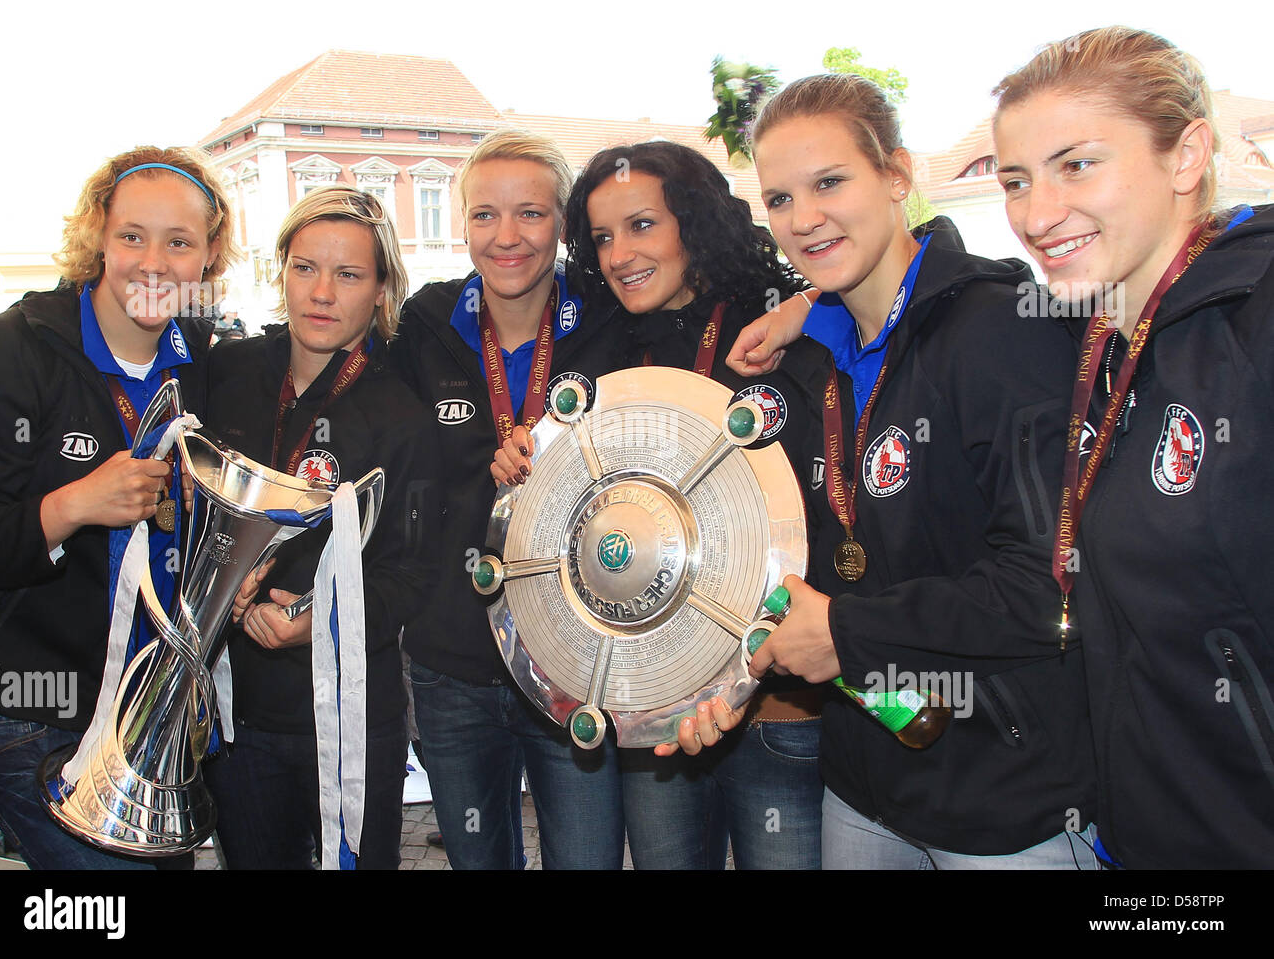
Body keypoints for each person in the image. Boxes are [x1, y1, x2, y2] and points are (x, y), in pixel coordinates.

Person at [718, 74, 1099, 868]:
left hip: (1006, 799)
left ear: (896, 175)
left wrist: (844, 633)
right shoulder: (810, 354)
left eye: (830, 182)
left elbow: (1047, 588)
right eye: (780, 199)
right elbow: (788, 552)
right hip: (863, 779)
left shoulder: (1000, 328)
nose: (804, 219)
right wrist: (704, 680)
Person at [494, 140, 837, 870]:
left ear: (695, 221)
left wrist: (809, 304)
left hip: (781, 705)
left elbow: (925, 249)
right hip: (661, 706)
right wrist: (523, 469)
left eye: (642, 225)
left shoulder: (781, 324)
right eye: (604, 237)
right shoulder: (603, 353)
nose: (620, 255)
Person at [991, 26, 1274, 869]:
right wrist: (805, 310)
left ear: (1186, 156)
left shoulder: (1255, 318)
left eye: (1077, 164)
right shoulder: (1099, 333)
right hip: (1136, 836)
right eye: (1015, 181)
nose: (1037, 216)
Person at [0, 146, 238, 868]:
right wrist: (74, 504)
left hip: (152, 711)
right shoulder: (8, 350)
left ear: (209, 256)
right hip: (31, 703)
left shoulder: (210, 364)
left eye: (179, 242)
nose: (153, 262)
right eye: (132, 236)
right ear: (98, 236)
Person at [387, 130, 625, 870]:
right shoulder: (419, 328)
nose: (506, 237)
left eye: (531, 214)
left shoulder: (614, 323)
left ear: (563, 224)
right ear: (462, 224)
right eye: (484, 215)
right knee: (476, 858)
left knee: (585, 858)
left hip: (576, 656)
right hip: (453, 661)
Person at [200, 185, 434, 869]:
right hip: (237, 714)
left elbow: (412, 577)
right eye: (305, 267)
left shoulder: (403, 416)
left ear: (382, 289)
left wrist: (322, 618)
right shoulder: (230, 374)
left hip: (352, 720)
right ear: (281, 272)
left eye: (349, 274)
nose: (322, 292)